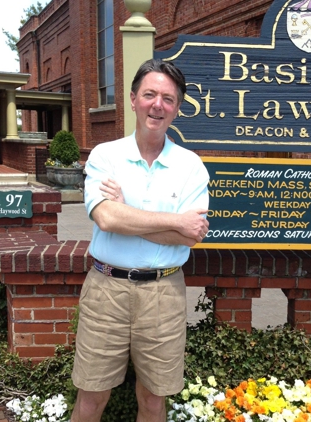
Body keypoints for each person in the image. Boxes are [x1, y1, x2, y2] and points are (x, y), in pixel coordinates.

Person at [70, 58, 210, 422]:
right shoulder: (106, 156)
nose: (157, 104)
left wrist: (125, 213)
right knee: (91, 395)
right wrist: (174, 221)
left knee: (152, 399)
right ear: (133, 99)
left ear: (177, 108)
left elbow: (192, 235)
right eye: (149, 94)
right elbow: (105, 216)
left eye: (168, 98)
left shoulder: (191, 166)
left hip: (163, 294)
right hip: (106, 290)